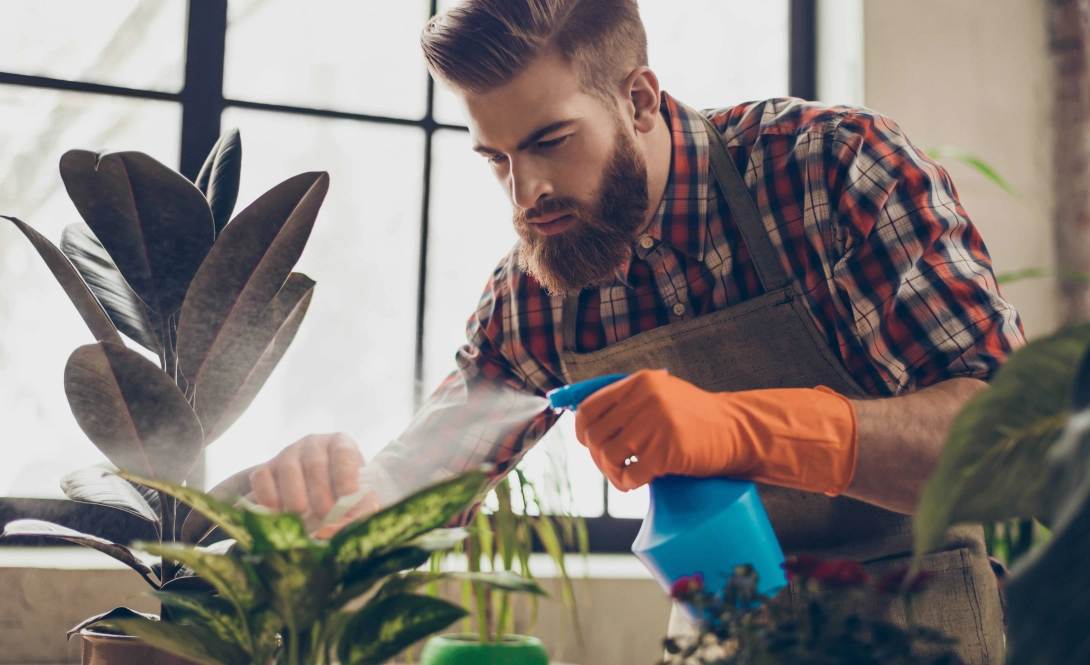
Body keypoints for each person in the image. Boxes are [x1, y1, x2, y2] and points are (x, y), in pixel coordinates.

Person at [249, 0, 1022, 661]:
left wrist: (740, 428)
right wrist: (340, 495)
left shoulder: (833, 170)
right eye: (497, 158)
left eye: (551, 141)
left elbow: (1012, 445)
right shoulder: (537, 290)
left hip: (919, 628)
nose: (527, 194)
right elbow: (424, 479)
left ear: (641, 99)